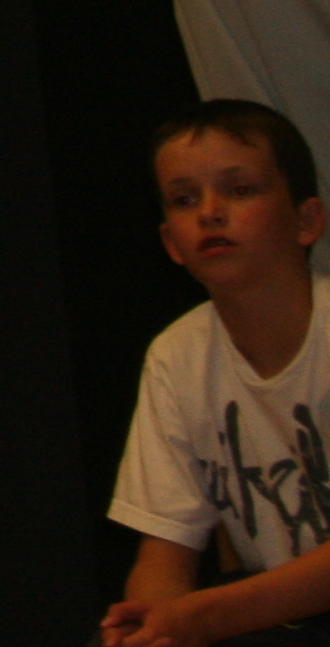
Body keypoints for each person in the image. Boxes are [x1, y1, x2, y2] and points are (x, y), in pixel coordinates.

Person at [104, 100, 330, 647]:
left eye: (240, 190)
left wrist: (207, 617)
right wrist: (152, 624)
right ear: (170, 243)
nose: (209, 212)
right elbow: (165, 553)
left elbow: (216, 614)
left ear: (307, 221)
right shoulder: (176, 356)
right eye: (185, 199)